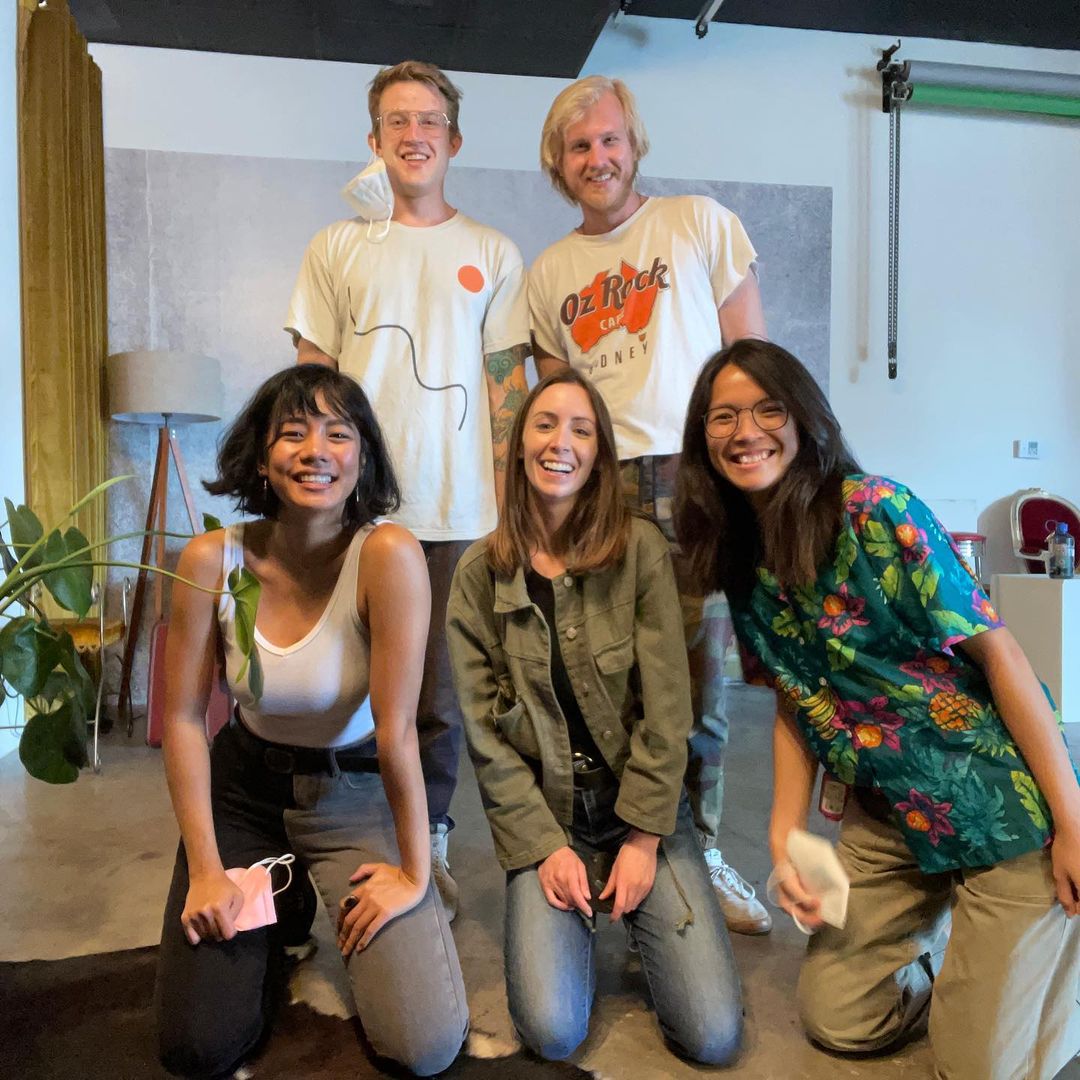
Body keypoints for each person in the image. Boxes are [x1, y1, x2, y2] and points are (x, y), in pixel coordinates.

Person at [674, 338, 1080, 1079]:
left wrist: (1074, 823)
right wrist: (784, 837)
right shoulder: (738, 555)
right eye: (723, 416)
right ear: (703, 435)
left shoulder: (875, 509)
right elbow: (794, 699)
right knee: (839, 1020)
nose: (745, 431)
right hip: (889, 817)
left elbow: (1004, 657)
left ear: (805, 419)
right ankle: (978, 967)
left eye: (768, 409)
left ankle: (1043, 973)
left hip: (998, 806)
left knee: (977, 1067)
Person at [153, 365, 468, 1079]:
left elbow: (398, 730)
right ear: (262, 457)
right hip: (244, 794)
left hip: (352, 790)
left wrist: (416, 871)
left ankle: (294, 896)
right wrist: (206, 869)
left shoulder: (387, 555)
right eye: (292, 433)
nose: (315, 451)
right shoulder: (210, 560)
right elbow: (183, 720)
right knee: (198, 1047)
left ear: (363, 455)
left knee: (423, 1046)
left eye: (338, 433)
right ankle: (284, 909)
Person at [285, 60, 531, 918]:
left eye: (429, 121)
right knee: (340, 683)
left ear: (453, 140)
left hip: (461, 513)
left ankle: (430, 835)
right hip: (355, 513)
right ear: (374, 140)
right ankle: (338, 836)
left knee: (440, 699)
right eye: (397, 121)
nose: (414, 134)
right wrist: (310, 503)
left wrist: (513, 514)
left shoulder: (494, 253)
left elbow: (507, 395)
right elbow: (310, 383)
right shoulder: (336, 247)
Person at [528, 74, 770, 933]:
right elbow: (556, 408)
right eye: (578, 146)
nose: (596, 157)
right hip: (598, 486)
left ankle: (698, 854)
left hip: (694, 474)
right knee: (606, 680)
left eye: (609, 139)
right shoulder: (549, 272)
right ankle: (618, 847)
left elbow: (754, 363)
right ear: (558, 164)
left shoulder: (698, 222)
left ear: (633, 146)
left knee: (697, 683)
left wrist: (754, 481)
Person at [446, 368, 742, 1065]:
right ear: (519, 446)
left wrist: (643, 837)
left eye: (582, 430)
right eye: (545, 425)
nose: (562, 443)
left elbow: (668, 711)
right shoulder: (476, 577)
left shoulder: (639, 551)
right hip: (551, 819)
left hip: (639, 809)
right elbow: (488, 742)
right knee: (552, 1031)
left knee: (711, 1035)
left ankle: (648, 909)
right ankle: (588, 897)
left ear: (600, 456)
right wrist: (544, 848)